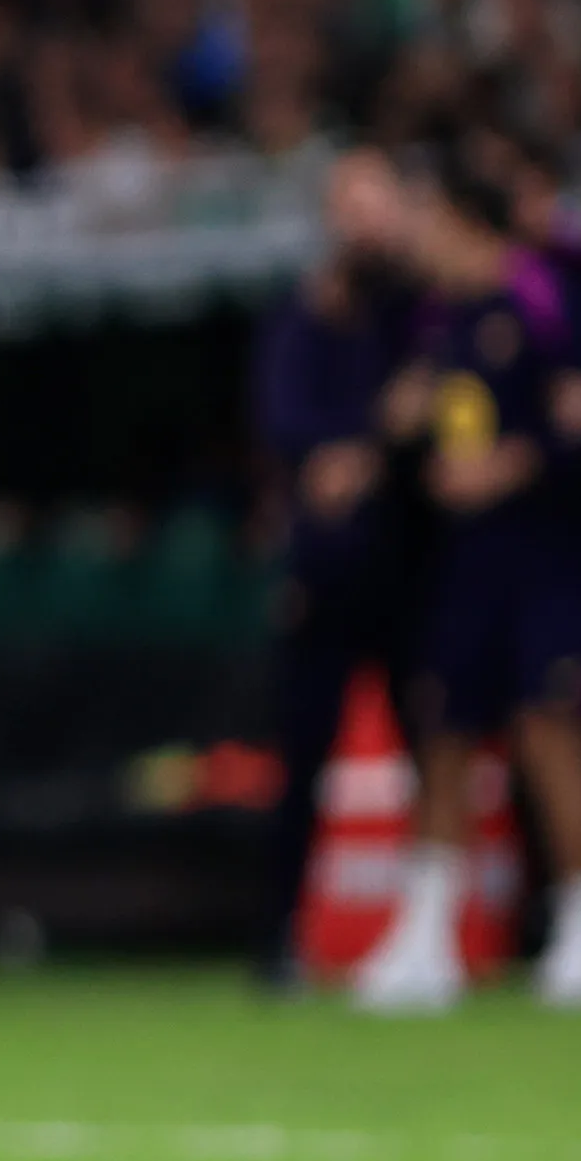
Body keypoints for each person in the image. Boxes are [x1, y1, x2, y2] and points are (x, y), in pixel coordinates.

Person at [354, 167, 581, 1012]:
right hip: (464, 566)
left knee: (550, 735)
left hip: (544, 560)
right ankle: (426, 937)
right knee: (444, 737)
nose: (419, 242)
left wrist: (514, 465)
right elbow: (422, 420)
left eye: (431, 222)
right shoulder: (440, 323)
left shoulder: (543, 302)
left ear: (471, 223)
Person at [246, 147, 421, 986]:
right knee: (303, 754)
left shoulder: (421, 310)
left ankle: (438, 928)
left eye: (375, 203)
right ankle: (281, 930)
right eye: (348, 206)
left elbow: (427, 409)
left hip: (412, 569)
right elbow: (288, 430)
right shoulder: (302, 316)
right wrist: (366, 435)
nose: (364, 222)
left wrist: (367, 449)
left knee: (441, 748)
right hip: (323, 574)